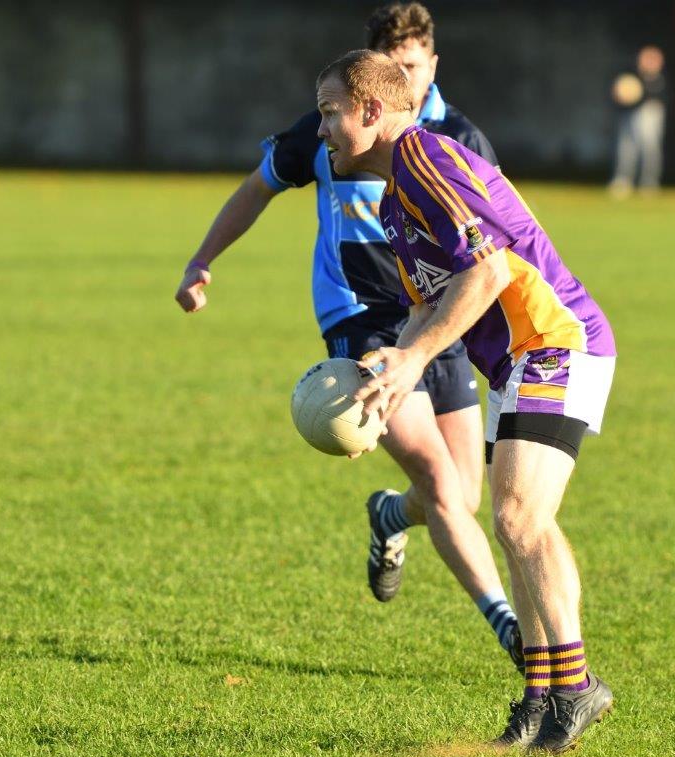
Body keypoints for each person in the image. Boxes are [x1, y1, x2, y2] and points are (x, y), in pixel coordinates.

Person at [174, 3, 524, 671]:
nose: (409, 83)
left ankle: (391, 516)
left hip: (438, 317)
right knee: (443, 486)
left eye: (416, 69)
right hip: (359, 317)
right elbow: (256, 189)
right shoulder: (332, 132)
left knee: (460, 497)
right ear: (372, 86)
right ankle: (509, 629)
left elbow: (494, 239)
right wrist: (201, 261)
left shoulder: (460, 137)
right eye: (395, 71)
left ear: (432, 66)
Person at [316, 49, 617, 754]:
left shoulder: (424, 159)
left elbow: (483, 271)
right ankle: (544, 697)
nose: (322, 127)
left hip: (555, 342)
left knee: (518, 516)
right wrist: (397, 360)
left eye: (331, 111)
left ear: (370, 110)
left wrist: (417, 355)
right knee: (518, 527)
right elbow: (433, 303)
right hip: (516, 361)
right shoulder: (395, 201)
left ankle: (575, 688)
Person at [608, 45, 666, 196]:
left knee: (650, 147)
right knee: (626, 148)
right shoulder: (630, 74)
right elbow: (620, 92)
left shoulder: (658, 79)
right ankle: (623, 180)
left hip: (649, 114)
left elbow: (655, 97)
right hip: (630, 114)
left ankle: (649, 182)